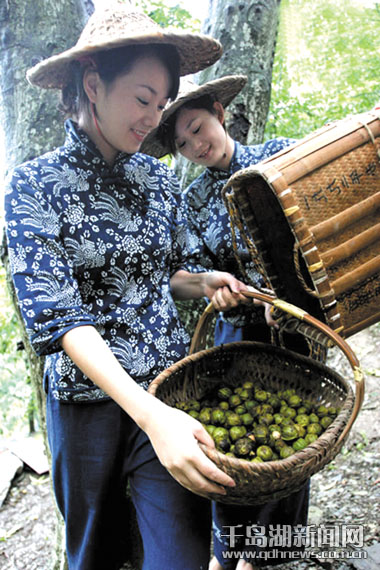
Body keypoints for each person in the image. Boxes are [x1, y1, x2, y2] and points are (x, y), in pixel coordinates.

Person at [3, 9, 270, 570]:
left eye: (163, 102)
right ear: (93, 83)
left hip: (169, 391)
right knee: (95, 554)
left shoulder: (156, 179)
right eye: (143, 98)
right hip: (87, 409)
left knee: (183, 555)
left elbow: (165, 269)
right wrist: (151, 415)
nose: (154, 117)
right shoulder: (32, 187)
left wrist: (203, 282)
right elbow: (60, 320)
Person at [142, 76, 311, 570]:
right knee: (231, 443)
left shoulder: (278, 156)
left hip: (297, 329)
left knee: (292, 450)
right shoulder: (191, 200)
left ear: (219, 111)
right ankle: (225, 552)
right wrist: (217, 288)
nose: (197, 146)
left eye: (198, 128)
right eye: (182, 143)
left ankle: (263, 558)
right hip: (237, 334)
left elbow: (312, 226)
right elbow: (185, 278)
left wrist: (289, 295)